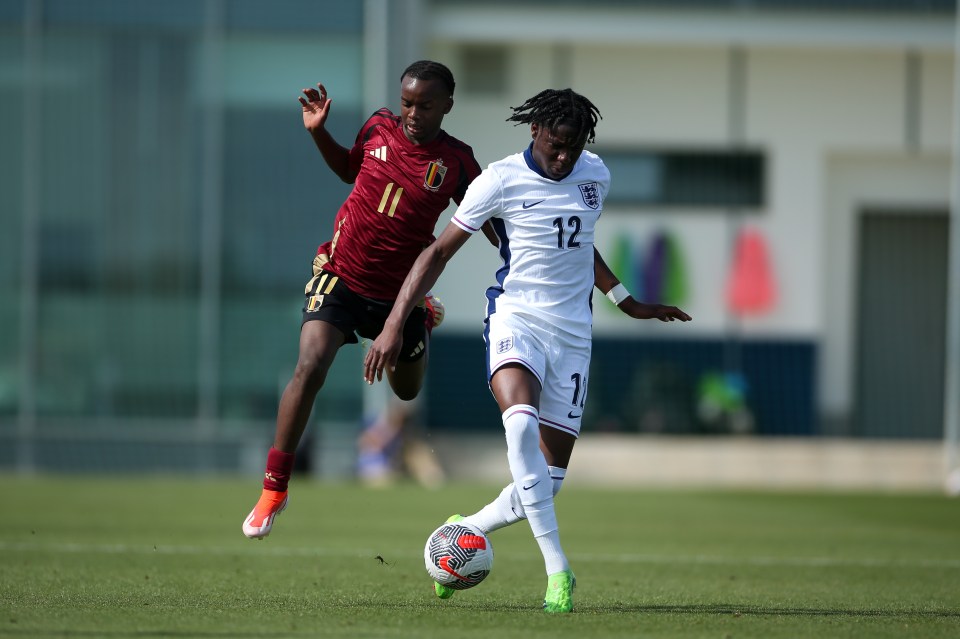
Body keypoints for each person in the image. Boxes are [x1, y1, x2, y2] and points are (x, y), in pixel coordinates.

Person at [363, 88, 692, 612]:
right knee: (519, 425)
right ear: (535, 131)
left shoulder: (595, 175)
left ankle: (462, 535)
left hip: (573, 337)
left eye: (575, 146)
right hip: (516, 318)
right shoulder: (498, 180)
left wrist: (626, 301)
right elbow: (437, 252)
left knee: (547, 482)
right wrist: (393, 324)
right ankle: (558, 571)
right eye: (558, 144)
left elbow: (580, 244)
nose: (565, 157)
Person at [242, 60, 483, 540]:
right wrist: (318, 133)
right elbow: (348, 170)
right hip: (341, 276)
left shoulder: (457, 163)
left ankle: (424, 314)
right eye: (407, 102)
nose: (413, 113)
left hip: (400, 298)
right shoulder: (377, 125)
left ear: (447, 106)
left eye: (426, 105)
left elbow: (486, 222)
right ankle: (273, 490)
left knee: (407, 391)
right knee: (309, 365)